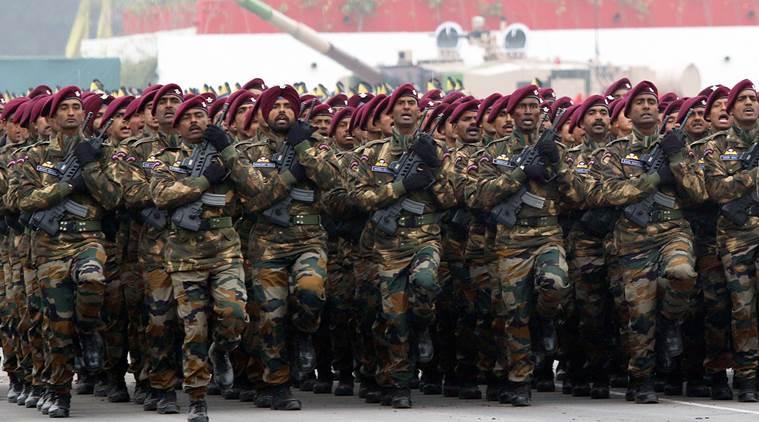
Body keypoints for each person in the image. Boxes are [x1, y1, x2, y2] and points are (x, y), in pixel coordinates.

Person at [589, 81, 706, 403]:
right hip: (633, 240)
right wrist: (651, 179)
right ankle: (641, 379)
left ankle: (669, 322)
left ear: (658, 110)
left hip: (673, 232)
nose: (646, 107)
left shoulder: (677, 147)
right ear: (628, 112)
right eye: (639, 102)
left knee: (683, 274)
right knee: (639, 317)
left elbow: (699, 193)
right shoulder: (614, 153)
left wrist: (677, 159)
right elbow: (604, 193)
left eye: (651, 102)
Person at [148, 95, 262, 422]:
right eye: (187, 117)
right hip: (185, 257)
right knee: (194, 330)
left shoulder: (228, 154)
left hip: (225, 251)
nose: (195, 121)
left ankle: (222, 350)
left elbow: (256, 187)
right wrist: (203, 181)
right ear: (177, 125)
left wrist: (228, 150)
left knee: (234, 313)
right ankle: (197, 398)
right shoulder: (165, 158)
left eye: (200, 115)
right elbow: (161, 195)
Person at [17, 86, 125, 417]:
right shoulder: (35, 156)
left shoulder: (99, 152)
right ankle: (59, 391)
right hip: (49, 247)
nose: (72, 113)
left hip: (89, 239)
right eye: (64, 108)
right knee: (57, 326)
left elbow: (114, 198)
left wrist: (90, 168)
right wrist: (66, 186)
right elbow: (23, 199)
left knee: (93, 280)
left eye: (77, 107)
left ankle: (89, 330)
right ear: (51, 118)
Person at [350, 83, 456, 408]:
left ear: (420, 112)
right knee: (393, 316)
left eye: (412, 103)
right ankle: (399, 383)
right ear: (391, 113)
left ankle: (422, 325)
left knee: (425, 283)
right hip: (387, 245)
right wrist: (399, 188)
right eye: (401, 103)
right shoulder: (373, 154)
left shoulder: (437, 151)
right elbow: (359, 197)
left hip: (425, 237)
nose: (407, 107)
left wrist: (434, 167)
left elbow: (451, 199)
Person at [702, 79, 759, 402]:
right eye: (743, 99)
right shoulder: (716, 147)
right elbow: (717, 190)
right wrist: (752, 176)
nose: (749, 103)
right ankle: (747, 376)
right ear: (731, 108)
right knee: (743, 307)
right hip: (736, 238)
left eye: (753, 98)